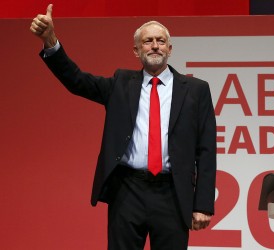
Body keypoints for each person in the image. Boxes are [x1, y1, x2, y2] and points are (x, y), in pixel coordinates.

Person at [30, 4, 217, 250]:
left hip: (172, 193)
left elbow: (206, 148)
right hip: (128, 191)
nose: (154, 46)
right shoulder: (121, 84)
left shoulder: (196, 90)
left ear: (170, 49)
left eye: (160, 41)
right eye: (147, 41)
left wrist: (202, 204)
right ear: (136, 50)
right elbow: (76, 81)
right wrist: (51, 41)